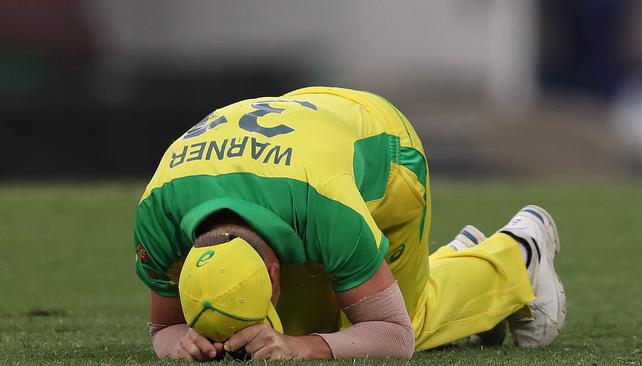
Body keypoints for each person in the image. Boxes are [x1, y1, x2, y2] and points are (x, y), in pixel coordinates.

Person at [134, 86, 566, 361]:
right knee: (287, 338)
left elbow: (394, 338)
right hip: (308, 126)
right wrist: (180, 344)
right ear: (180, 268)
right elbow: (164, 327)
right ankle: (455, 261)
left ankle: (518, 252)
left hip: (386, 149)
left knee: (343, 329)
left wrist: (303, 347)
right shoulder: (156, 217)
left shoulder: (325, 206)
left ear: (273, 271)